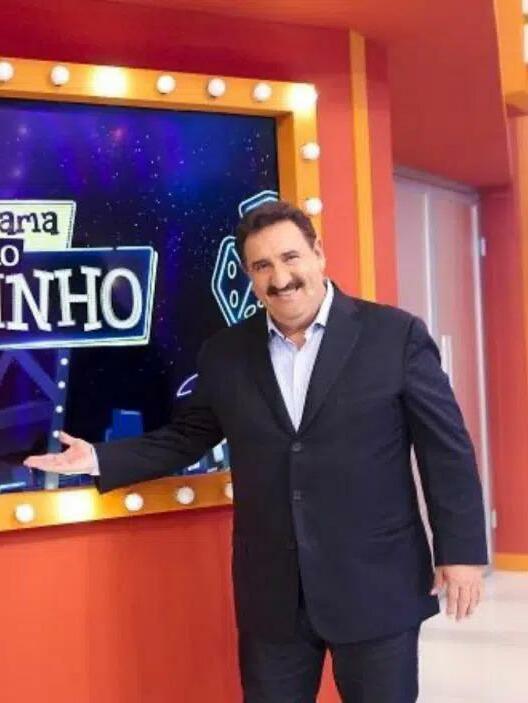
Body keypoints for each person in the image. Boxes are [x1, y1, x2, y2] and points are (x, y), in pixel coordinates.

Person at [25, 200, 487, 703]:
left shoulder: (395, 336)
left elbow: (446, 451)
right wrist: (98, 458)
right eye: (262, 265)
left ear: (318, 253)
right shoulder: (225, 353)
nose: (280, 278)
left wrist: (460, 553)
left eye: (290, 258)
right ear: (248, 275)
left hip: (377, 583)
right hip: (273, 596)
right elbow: (187, 436)